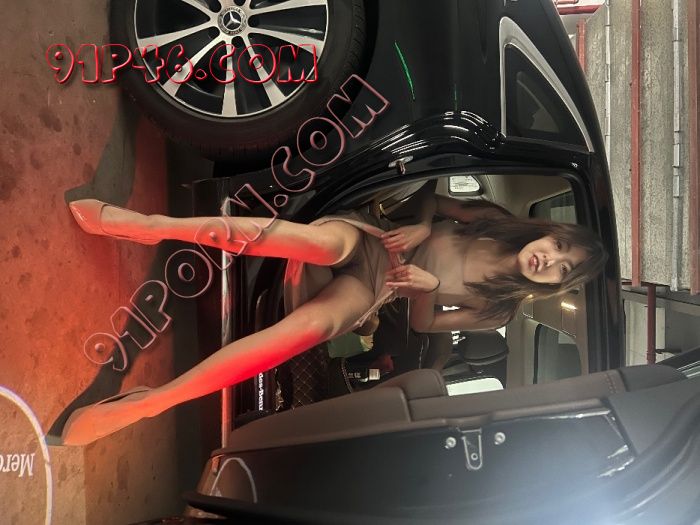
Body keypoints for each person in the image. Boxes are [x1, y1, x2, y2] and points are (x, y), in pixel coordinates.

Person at [61, 192, 607, 445]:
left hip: (375, 288)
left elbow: (423, 326)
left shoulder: (498, 309)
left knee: (309, 332)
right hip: (370, 238)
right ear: (550, 232)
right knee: (318, 244)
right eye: (559, 245)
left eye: (563, 270)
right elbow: (430, 196)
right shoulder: (494, 219)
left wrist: (429, 289)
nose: (550, 259)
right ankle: (148, 224)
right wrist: (423, 225)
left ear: (559, 286)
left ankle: (152, 403)